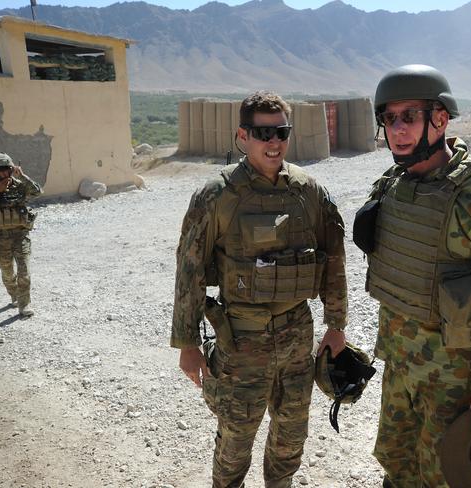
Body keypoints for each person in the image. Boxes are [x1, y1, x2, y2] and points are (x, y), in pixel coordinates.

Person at [356, 65, 471, 487]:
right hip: (401, 364)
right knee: (397, 464)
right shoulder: (393, 185)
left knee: (448, 475)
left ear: (440, 118)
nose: (397, 130)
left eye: (409, 117)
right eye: (389, 119)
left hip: (457, 379)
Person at [170, 92, 348, 488]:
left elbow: (333, 259)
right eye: (262, 132)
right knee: (236, 439)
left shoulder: (309, 192)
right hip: (241, 339)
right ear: (242, 136)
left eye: (280, 132)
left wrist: (335, 324)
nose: (273, 142)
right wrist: (187, 344)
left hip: (296, 336)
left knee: (291, 437)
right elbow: (190, 272)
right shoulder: (216, 196)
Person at [0, 153, 42, 317]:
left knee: (24, 272)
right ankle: (14, 295)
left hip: (20, 235)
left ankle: (24, 305)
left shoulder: (20, 186)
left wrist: (22, 176)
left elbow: (37, 192)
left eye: (5, 169)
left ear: (11, 168)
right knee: (8, 274)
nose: (2, 174)